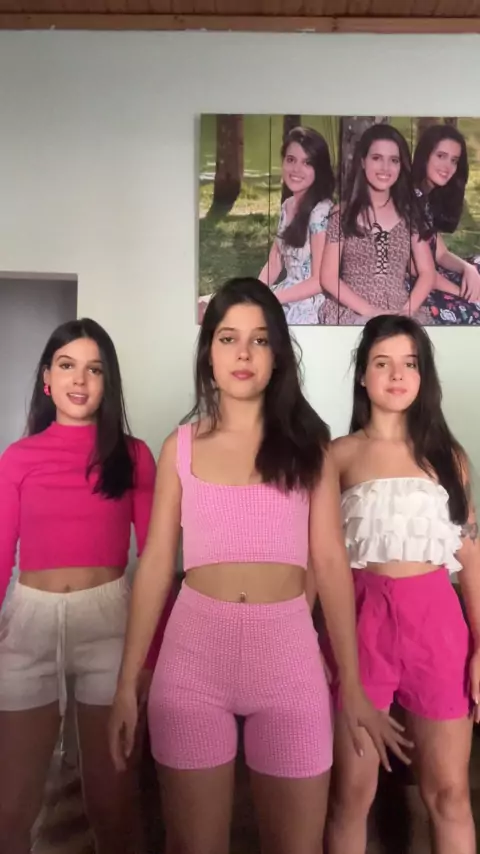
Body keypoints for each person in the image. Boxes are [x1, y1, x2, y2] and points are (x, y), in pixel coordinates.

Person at [109, 277, 411, 854]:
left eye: (259, 339)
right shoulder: (181, 447)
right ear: (209, 353)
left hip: (288, 661)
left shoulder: (310, 448)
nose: (243, 353)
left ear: (277, 356)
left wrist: (351, 683)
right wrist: (127, 683)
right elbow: (155, 565)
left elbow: (330, 562)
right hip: (193, 660)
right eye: (228, 338)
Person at [0, 318, 166, 854]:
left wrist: (149, 658)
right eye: (67, 366)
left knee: (112, 804)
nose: (79, 379)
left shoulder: (134, 456)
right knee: (11, 808)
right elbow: (0, 553)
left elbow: (158, 560)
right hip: (29, 622)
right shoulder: (18, 458)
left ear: (107, 382)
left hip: (109, 625)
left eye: (94, 369)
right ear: (47, 379)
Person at [324, 314, 479, 854]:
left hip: (438, 627)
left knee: (450, 794)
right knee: (351, 795)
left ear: (423, 375)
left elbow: (470, 557)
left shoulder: (449, 458)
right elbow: (317, 560)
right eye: (382, 363)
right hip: (360, 625)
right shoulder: (338, 456)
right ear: (362, 374)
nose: (396, 375)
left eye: (409, 363)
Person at [319, 123, 435, 326]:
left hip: (399, 310)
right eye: (377, 158)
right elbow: (328, 277)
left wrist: (407, 311)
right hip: (353, 311)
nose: (385, 168)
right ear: (363, 161)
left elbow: (427, 272)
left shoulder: (409, 215)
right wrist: (371, 312)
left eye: (394, 160)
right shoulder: (343, 215)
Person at [258, 125, 335, 325]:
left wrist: (272, 299)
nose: (296, 170)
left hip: (310, 303)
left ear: (319, 169)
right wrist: (256, 293)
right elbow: (275, 262)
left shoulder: (321, 212)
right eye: (291, 160)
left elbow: (319, 281)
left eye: (307, 163)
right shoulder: (288, 205)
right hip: (285, 293)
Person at [411, 122, 480, 324]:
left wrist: (468, 269)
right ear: (425, 156)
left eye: (454, 160)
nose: (448, 167)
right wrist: (465, 294)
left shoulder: (426, 196)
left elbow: (440, 253)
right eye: (441, 156)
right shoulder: (407, 199)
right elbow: (414, 269)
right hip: (419, 285)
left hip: (434, 275)